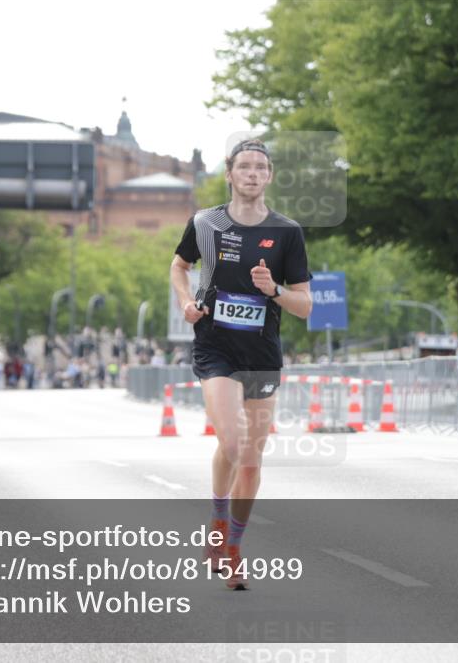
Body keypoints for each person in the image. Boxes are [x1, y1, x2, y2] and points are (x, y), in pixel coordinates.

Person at [169, 138, 312, 589]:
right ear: (229, 175)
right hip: (216, 347)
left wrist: (273, 290)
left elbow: (305, 306)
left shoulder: (288, 232)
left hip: (262, 353)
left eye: (260, 167)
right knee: (233, 442)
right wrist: (186, 302)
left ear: (269, 177)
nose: (252, 173)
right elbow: (178, 266)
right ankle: (217, 516)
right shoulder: (205, 223)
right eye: (244, 166)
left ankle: (233, 544)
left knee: (251, 458)